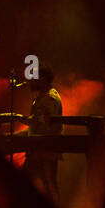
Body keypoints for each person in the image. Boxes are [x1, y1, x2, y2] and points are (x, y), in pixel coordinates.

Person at [24, 66, 63, 199]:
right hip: (38, 150)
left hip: (45, 151)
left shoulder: (50, 98)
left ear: (44, 78)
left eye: (34, 77)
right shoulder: (41, 97)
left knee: (47, 186)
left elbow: (46, 124)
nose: (31, 80)